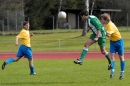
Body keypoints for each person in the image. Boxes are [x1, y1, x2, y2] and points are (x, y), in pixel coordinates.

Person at [100, 13, 125, 80]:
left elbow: (108, 35)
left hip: (119, 42)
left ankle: (122, 73)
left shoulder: (110, 25)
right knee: (112, 57)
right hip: (112, 42)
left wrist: (102, 31)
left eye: (102, 19)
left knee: (121, 57)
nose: (101, 20)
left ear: (106, 20)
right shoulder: (107, 24)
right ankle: (112, 72)